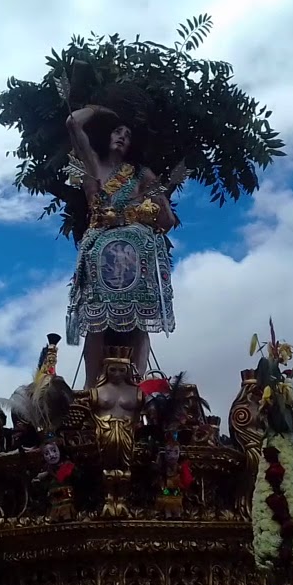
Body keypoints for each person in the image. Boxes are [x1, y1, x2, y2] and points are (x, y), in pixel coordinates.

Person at [64, 103, 177, 386]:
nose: (122, 136)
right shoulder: (93, 165)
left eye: (128, 134)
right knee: (96, 320)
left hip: (134, 251)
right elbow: (72, 123)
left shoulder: (142, 175)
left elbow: (167, 221)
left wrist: (154, 202)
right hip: (100, 250)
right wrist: (99, 109)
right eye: (117, 131)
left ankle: (137, 384)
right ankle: (91, 389)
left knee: (139, 321)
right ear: (107, 136)